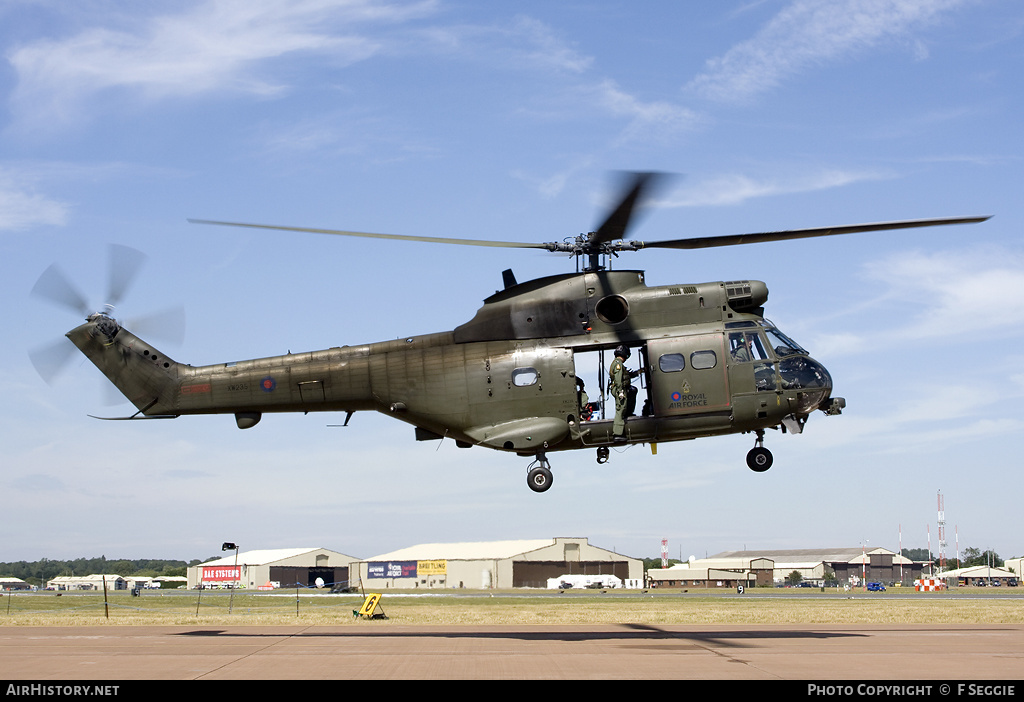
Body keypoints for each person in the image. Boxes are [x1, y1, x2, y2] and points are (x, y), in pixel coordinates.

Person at [609, 345, 639, 439]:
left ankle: (628, 413)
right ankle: (617, 434)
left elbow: (626, 376)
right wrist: (620, 391)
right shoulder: (618, 364)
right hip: (619, 389)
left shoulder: (618, 363)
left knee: (633, 391)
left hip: (620, 389)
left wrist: (639, 372)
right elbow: (618, 379)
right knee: (620, 409)